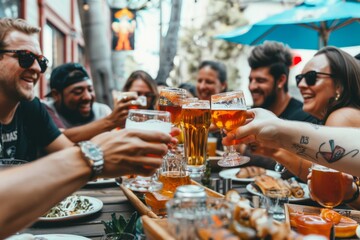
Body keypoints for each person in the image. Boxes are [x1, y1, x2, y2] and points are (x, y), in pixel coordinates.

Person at [0, 128, 176, 238]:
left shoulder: (30, 106)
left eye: (43, 64)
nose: (37, 68)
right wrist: (91, 157)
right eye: (25, 63)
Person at [0, 18, 73, 161]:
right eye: (25, 57)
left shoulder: (30, 107)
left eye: (41, 61)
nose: (38, 69)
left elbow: (70, 155)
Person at [243, 41, 319, 176]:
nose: (252, 86)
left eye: (260, 80)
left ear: (280, 81)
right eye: (250, 80)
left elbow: (307, 171)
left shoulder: (304, 119)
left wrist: (244, 149)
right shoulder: (252, 115)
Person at [44, 63, 135, 142]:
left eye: (90, 90)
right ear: (56, 94)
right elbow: (57, 138)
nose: (87, 97)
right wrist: (110, 122)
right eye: (78, 92)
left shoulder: (102, 111)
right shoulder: (45, 111)